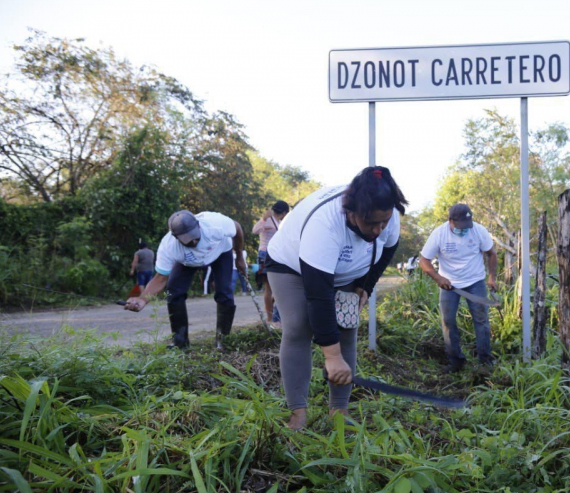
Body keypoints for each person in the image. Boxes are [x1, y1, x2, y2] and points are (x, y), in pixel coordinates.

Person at [265, 166, 407, 430]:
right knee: (298, 327)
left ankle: (339, 410)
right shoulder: (325, 225)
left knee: (346, 327)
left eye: (383, 223)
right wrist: (331, 357)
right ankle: (297, 411)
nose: (377, 230)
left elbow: (387, 251)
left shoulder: (388, 214)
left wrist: (365, 287)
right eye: (370, 223)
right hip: (292, 264)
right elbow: (318, 296)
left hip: (348, 269)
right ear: (350, 211)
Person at [124, 210, 247, 352]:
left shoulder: (216, 224)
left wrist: (239, 256)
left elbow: (237, 228)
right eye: (187, 239)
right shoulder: (169, 247)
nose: (193, 241)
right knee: (174, 292)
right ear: (175, 237)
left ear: (199, 226)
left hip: (220, 253)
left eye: (195, 236)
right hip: (188, 261)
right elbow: (160, 278)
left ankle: (223, 341)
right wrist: (143, 299)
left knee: (224, 292)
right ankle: (180, 343)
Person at [419, 203, 498, 373]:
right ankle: (456, 361)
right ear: (450, 221)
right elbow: (424, 260)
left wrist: (491, 277)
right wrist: (438, 277)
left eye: (466, 225)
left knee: (481, 320)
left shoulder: (478, 231)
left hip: (475, 281)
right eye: (460, 225)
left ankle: (485, 360)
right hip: (450, 285)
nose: (464, 229)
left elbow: (491, 253)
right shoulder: (439, 234)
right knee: (448, 321)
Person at [253, 200, 290, 328]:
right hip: (265, 254)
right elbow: (255, 230)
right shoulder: (268, 220)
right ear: (284, 212)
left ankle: (275, 315)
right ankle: (270, 318)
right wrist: (263, 219)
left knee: (277, 287)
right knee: (269, 287)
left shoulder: (280, 222)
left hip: (277, 254)